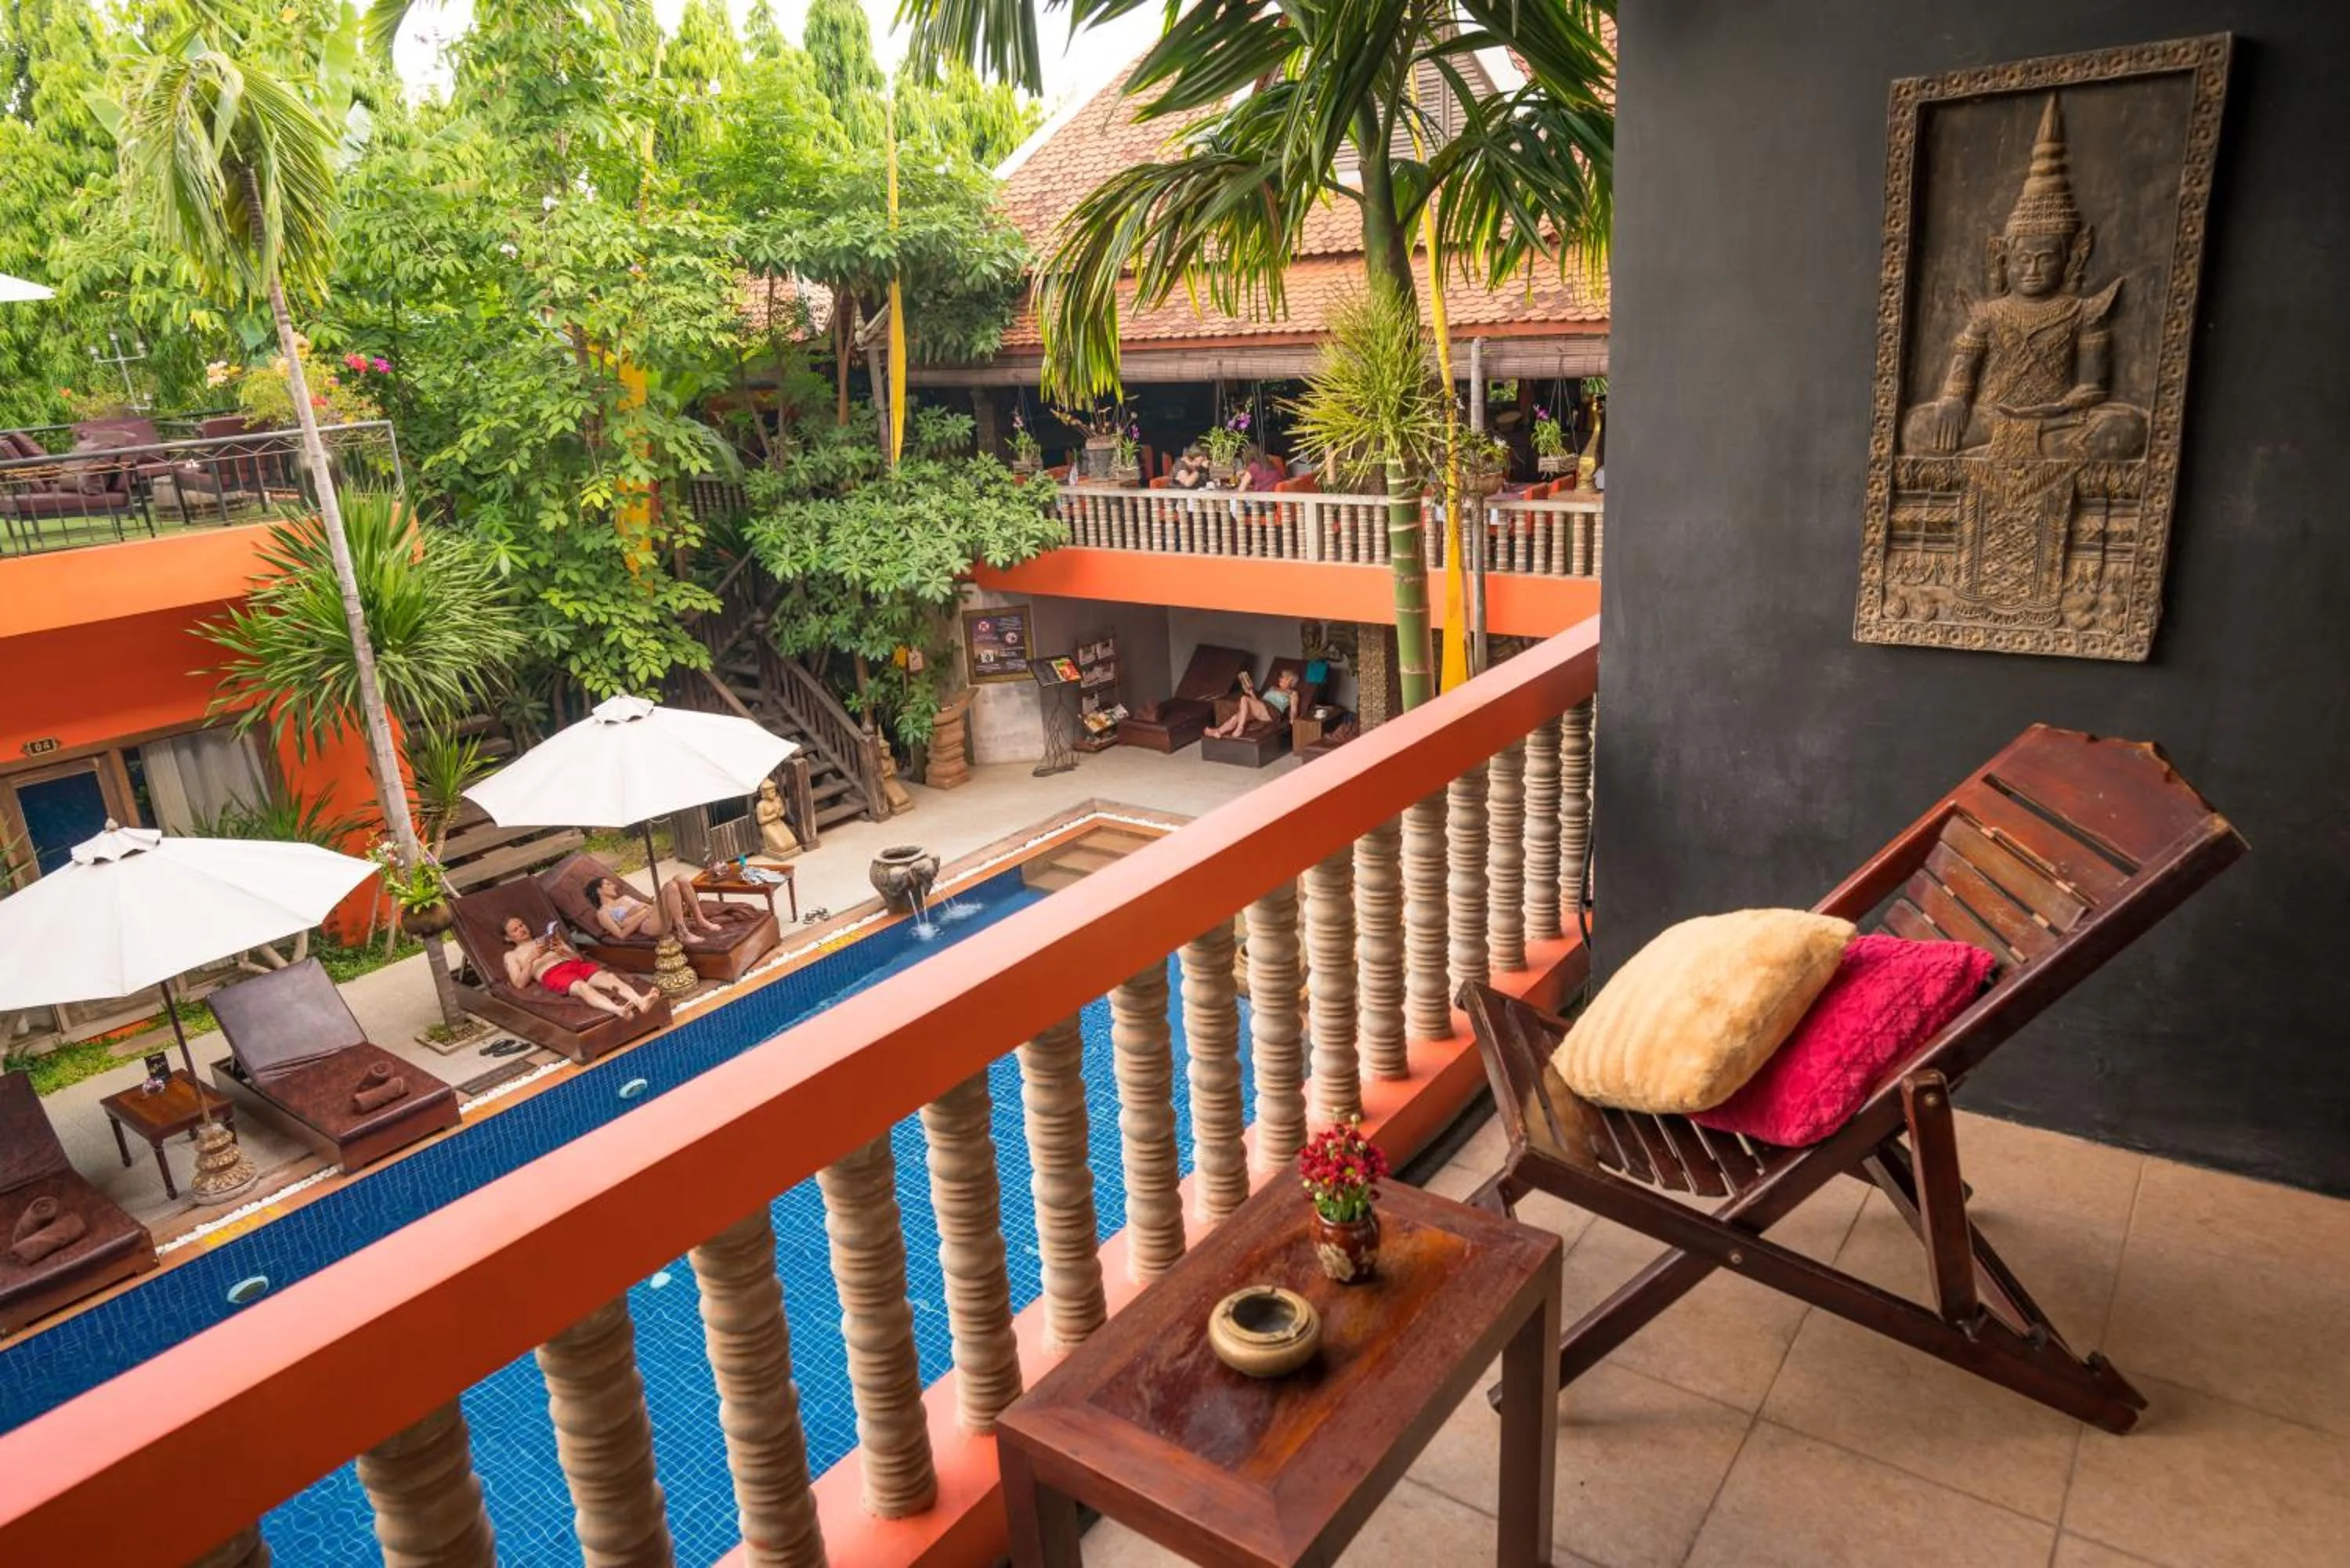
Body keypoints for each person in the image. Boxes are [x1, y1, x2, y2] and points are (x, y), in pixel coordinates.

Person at [501, 916, 656, 1017]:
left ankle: (640, 1001)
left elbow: (578, 958)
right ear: (508, 938)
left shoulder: (548, 939)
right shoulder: (512, 955)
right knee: (582, 987)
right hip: (553, 974)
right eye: (515, 930)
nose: (521, 929)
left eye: (522, 925)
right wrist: (531, 958)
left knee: (609, 977)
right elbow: (519, 983)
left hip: (573, 964)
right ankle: (619, 1011)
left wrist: (561, 950)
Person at [584, 872, 723, 942]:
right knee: (670, 886)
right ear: (598, 890)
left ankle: (700, 920)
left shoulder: (623, 898)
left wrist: (647, 908)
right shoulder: (603, 913)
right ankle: (683, 933)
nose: (613, 886)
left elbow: (647, 907)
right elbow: (621, 934)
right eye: (608, 884)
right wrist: (644, 912)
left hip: (654, 915)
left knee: (681, 878)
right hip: (649, 926)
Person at [1206, 667, 1300, 738]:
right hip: (1262, 708)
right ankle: (1219, 731)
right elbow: (1258, 702)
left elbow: (1294, 709)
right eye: (1280, 677)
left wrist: (1293, 719)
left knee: (1244, 699)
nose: (1280, 679)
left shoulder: (1292, 693)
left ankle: (1240, 728)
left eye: (1283, 677)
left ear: (1290, 679)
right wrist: (1251, 692)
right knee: (1236, 717)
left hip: (1272, 712)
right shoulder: (1272, 688)